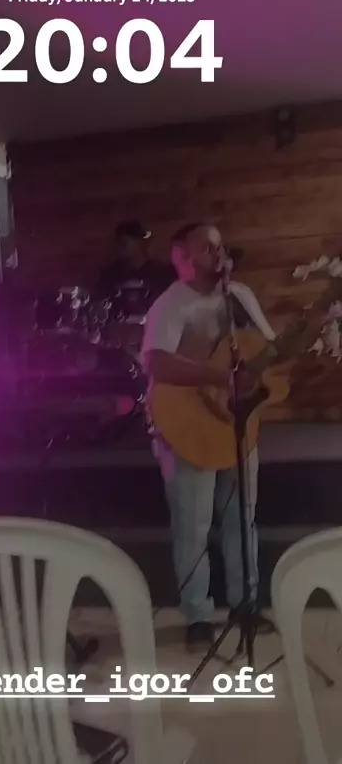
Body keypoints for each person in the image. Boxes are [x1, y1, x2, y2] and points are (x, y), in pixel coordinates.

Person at [141, 223, 276, 651]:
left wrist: (308, 339)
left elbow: (266, 348)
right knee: (193, 525)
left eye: (219, 245)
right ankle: (197, 615)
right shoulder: (170, 305)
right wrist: (219, 376)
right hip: (187, 426)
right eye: (206, 247)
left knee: (242, 518)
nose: (218, 253)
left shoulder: (241, 296)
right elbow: (157, 363)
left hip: (234, 422)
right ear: (181, 257)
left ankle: (245, 604)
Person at [96, 220, 176, 306]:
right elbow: (100, 302)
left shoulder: (162, 274)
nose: (121, 245)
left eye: (125, 241)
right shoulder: (110, 276)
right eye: (120, 241)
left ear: (142, 242)